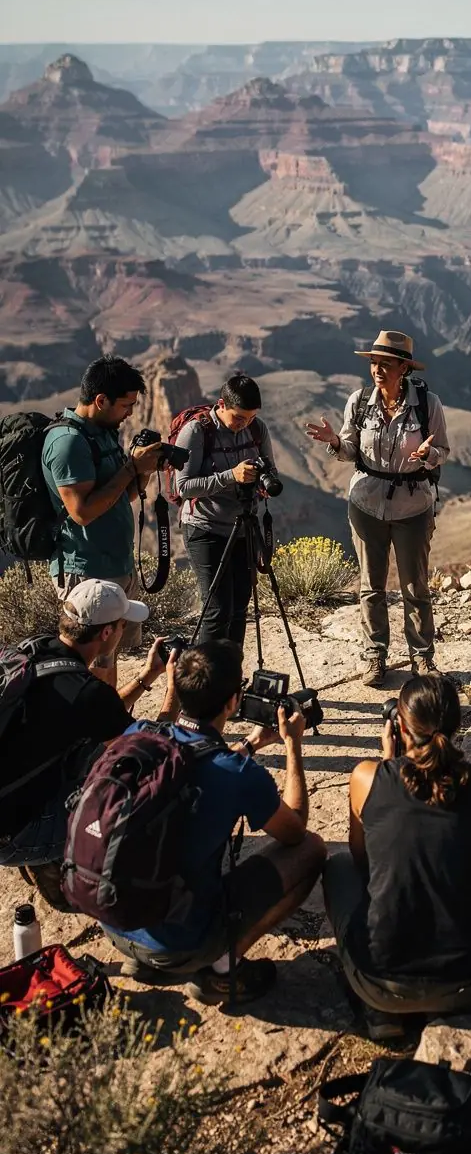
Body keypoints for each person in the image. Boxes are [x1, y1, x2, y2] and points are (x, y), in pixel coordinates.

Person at [103, 639, 326, 1007]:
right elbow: (295, 830)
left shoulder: (138, 734)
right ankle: (223, 968)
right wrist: (292, 746)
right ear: (233, 702)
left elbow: (189, 754)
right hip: (177, 942)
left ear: (177, 686)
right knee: (312, 850)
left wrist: (249, 746)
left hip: (114, 920)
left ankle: (148, 956)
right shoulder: (238, 774)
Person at [322, 674, 471, 1041]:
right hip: (469, 982)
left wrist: (388, 765)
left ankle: (380, 1011)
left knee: (339, 866)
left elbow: (363, 859)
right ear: (458, 725)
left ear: (400, 726)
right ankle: (448, 1008)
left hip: (379, 980)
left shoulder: (366, 776)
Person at [0, 579, 174, 903]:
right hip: (12, 836)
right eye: (122, 624)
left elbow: (99, 714)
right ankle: (65, 871)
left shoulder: (35, 651)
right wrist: (174, 693)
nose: (123, 630)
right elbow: (153, 749)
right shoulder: (88, 693)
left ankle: (44, 851)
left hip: (6, 806)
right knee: (130, 786)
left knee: (89, 752)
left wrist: (148, 675)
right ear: (106, 633)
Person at [306, 330, 449, 687]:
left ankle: (422, 657)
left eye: (386, 364)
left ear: (404, 368)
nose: (378, 370)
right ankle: (375, 655)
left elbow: (442, 451)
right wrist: (336, 442)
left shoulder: (427, 404)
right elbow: (351, 450)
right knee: (371, 585)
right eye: (374, 363)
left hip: (413, 505)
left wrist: (427, 455)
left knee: (415, 585)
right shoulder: (359, 401)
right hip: (366, 503)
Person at [41, 355, 162, 687]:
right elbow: (82, 512)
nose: (131, 413)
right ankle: (88, 729)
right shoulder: (68, 443)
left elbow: (121, 496)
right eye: (126, 405)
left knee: (108, 654)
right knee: (86, 657)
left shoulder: (103, 432)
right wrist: (129, 469)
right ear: (100, 400)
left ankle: (109, 725)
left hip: (114, 563)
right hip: (85, 567)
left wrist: (144, 471)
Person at [174, 373, 280, 650]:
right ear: (221, 404)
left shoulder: (257, 429)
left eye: (250, 417)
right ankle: (203, 678)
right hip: (205, 527)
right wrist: (230, 476)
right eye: (239, 417)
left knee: (239, 608)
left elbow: (270, 469)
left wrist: (264, 481)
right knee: (217, 609)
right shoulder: (197, 432)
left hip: (244, 527)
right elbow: (184, 486)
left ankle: (231, 677)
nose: (244, 424)